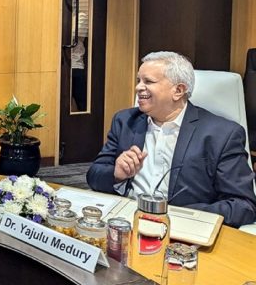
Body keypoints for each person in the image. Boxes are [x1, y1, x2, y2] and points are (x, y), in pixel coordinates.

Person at [86, 51, 256, 227]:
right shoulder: (125, 121)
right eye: (139, 80)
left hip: (185, 233)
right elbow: (94, 176)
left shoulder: (222, 134)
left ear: (178, 90)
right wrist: (116, 174)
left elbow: (243, 205)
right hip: (127, 224)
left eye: (148, 81)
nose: (138, 87)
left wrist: (181, 216)